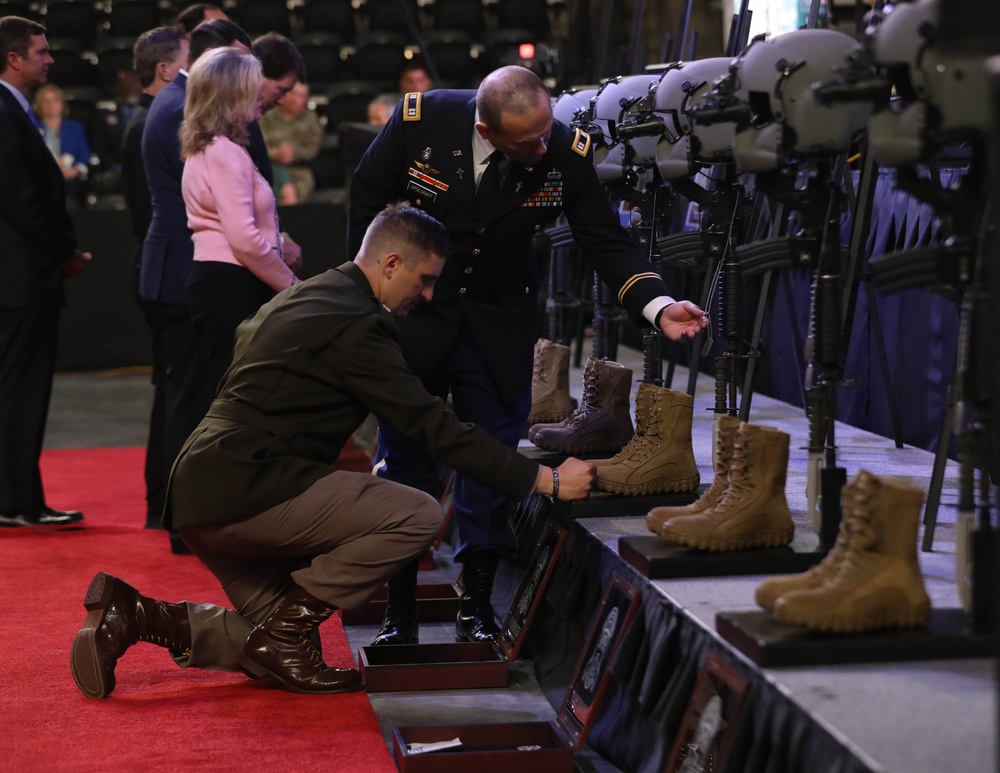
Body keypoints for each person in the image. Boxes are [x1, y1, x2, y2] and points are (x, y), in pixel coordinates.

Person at [69, 202, 595, 699]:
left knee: (275, 647)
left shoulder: (310, 293)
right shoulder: (358, 324)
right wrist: (542, 480)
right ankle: (279, 634)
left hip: (202, 493)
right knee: (416, 513)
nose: (429, 295)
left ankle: (135, 616)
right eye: (426, 279)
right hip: (244, 489)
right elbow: (432, 426)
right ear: (392, 264)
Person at [348, 65, 708, 645]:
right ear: (486, 128)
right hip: (416, 318)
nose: (543, 146)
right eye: (528, 140)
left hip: (498, 322)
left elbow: (603, 238)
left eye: (546, 132)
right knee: (407, 460)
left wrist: (657, 303)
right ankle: (401, 610)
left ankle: (479, 604)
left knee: (490, 462)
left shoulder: (562, 150)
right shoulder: (424, 120)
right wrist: (368, 295)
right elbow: (366, 195)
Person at [140, 18, 253, 553]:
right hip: (185, 269)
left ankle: (166, 508)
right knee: (189, 401)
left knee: (182, 396)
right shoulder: (179, 110)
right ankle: (180, 516)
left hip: (179, 267)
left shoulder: (176, 105)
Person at [0, 16, 91, 528]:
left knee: (18, 388)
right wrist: (65, 254)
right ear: (14, 58)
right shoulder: (4, 113)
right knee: (20, 389)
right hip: (20, 278)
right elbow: (23, 203)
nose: (50, 59)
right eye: (41, 52)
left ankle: (18, 497)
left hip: (20, 276)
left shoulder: (15, 112)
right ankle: (15, 501)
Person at [181, 47, 300, 392]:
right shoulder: (224, 152)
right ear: (232, 93)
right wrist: (292, 286)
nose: (261, 93)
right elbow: (244, 239)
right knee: (241, 403)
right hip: (232, 286)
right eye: (252, 85)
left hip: (221, 283)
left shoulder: (209, 148)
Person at [121, 24, 189, 527]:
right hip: (163, 267)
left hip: (155, 265)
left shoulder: (149, 118)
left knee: (170, 389)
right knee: (175, 391)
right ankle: (161, 502)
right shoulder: (152, 122)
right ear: (166, 70)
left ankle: (157, 500)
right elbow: (150, 213)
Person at [260, 80, 322, 205]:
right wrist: (275, 154)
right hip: (268, 168)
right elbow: (257, 144)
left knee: (296, 193)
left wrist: (294, 154)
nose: (295, 100)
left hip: (298, 170)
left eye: (301, 96)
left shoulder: (311, 119)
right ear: (284, 94)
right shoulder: (267, 114)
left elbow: (313, 148)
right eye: (293, 94)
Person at [33, 82, 91, 208]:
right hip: (42, 178)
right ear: (39, 105)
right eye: (46, 101)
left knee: (69, 195)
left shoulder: (75, 128)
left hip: (70, 177)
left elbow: (84, 155)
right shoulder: (32, 128)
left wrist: (74, 171)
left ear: (62, 103)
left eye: (55, 100)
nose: (51, 105)